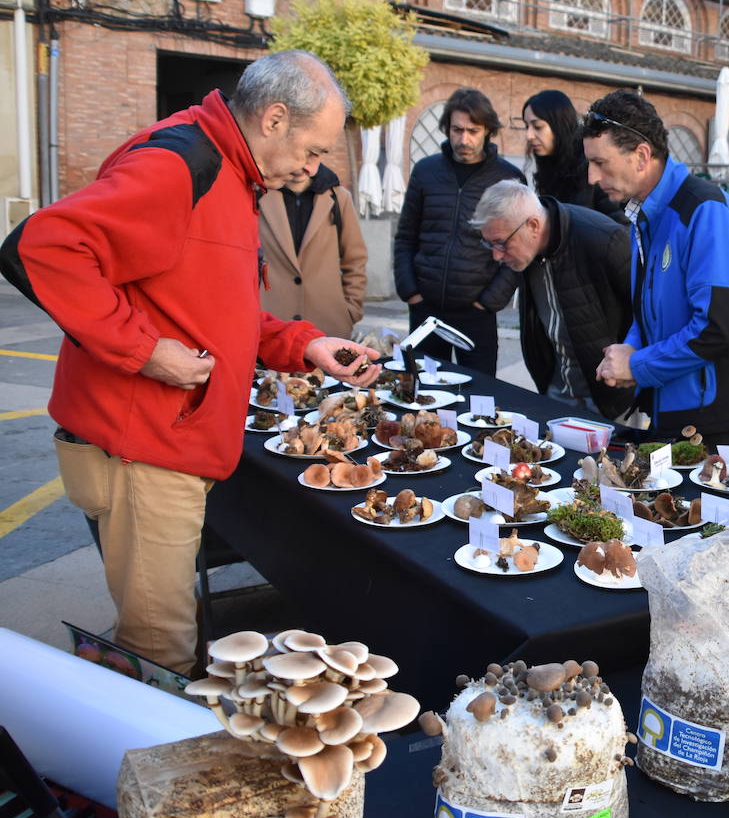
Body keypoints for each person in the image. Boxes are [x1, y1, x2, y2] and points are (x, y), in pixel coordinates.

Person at [0, 50, 380, 675]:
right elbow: (44, 247)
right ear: (275, 119)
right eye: (313, 151)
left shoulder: (231, 173)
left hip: (167, 443)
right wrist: (145, 352)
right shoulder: (183, 165)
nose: (314, 169)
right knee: (160, 650)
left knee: (164, 636)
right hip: (143, 450)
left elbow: (212, 308)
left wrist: (302, 344)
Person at [585, 89, 729, 448]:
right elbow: (651, 314)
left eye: (600, 162)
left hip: (719, 416)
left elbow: (717, 327)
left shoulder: (705, 211)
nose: (591, 177)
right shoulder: (646, 214)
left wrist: (638, 365)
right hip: (674, 405)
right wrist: (628, 353)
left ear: (641, 156)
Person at [470, 180, 635, 419]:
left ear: (533, 225)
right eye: (490, 244)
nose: (496, 255)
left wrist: (629, 371)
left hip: (613, 398)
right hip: (555, 392)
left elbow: (646, 318)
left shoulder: (604, 240)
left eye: (501, 243)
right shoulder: (527, 250)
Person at [393, 87, 523, 374]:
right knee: (422, 393)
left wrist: (488, 301)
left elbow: (518, 250)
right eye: (456, 129)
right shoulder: (426, 171)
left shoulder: (508, 178)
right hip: (425, 308)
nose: (463, 139)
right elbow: (405, 236)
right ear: (447, 129)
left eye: (472, 131)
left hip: (476, 313)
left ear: (488, 131)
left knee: (479, 396)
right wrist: (410, 291)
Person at [258, 161, 367, 338]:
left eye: (312, 154)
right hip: (272, 322)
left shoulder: (339, 197)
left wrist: (351, 310)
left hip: (328, 322)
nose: (303, 163)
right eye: (300, 152)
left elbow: (355, 259)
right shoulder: (259, 195)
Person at [518, 89, 626, 221]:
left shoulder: (592, 164)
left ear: (559, 125)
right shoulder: (550, 166)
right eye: (526, 126)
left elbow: (620, 225)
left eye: (538, 126)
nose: (528, 135)